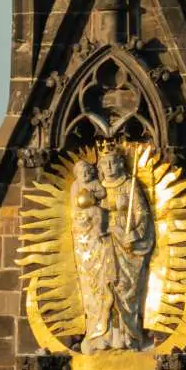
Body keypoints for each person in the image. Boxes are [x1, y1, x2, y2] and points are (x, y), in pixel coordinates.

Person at [72, 148, 155, 352]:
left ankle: (127, 336)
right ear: (99, 167)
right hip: (100, 243)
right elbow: (80, 214)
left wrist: (134, 234)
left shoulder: (129, 185)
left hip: (126, 245)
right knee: (99, 288)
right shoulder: (93, 187)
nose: (108, 167)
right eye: (104, 163)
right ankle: (100, 334)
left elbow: (141, 213)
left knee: (125, 287)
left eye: (113, 162)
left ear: (120, 164)